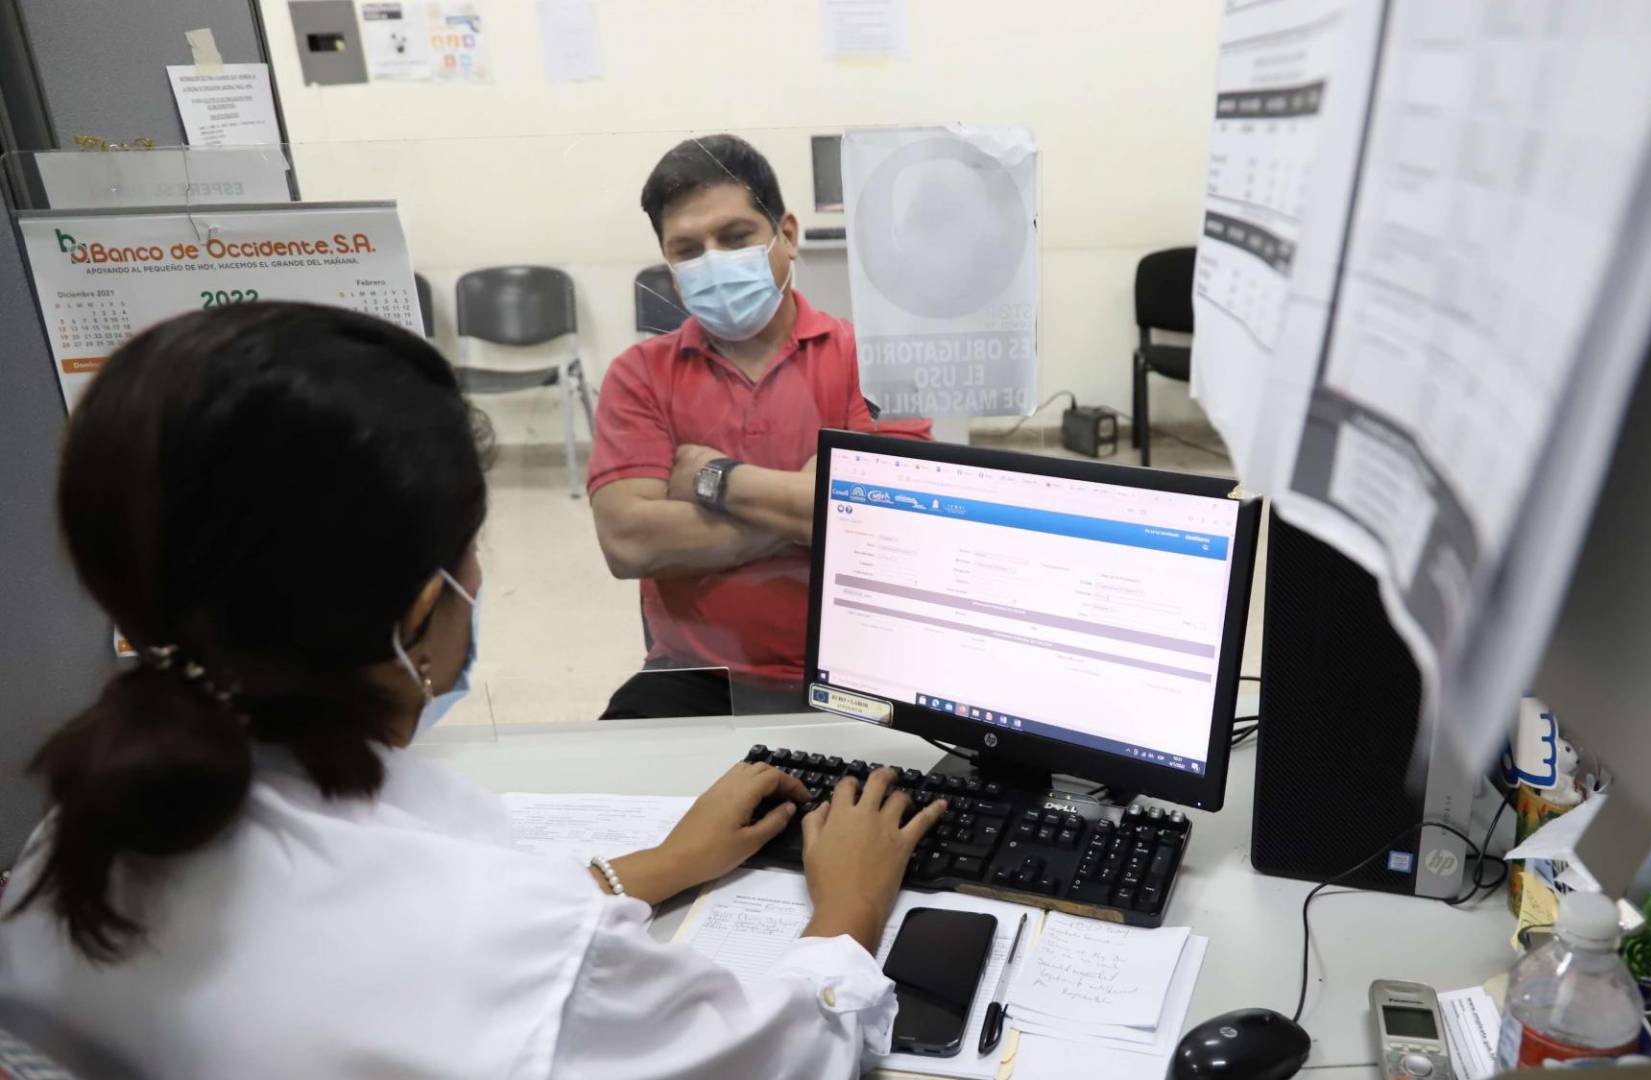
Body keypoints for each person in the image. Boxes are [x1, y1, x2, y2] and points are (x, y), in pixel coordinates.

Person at [0, 303, 946, 1079]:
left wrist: (653, 867)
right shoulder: (506, 948)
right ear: (422, 612)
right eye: (471, 551)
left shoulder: (74, 842)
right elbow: (785, 1060)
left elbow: (368, 932)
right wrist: (846, 919)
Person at [589, 134, 931, 717]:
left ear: (787, 235)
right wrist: (807, 510)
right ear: (670, 269)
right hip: (695, 674)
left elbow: (883, 524)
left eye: (735, 237)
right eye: (688, 249)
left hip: (860, 668)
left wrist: (714, 479)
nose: (714, 261)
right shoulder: (639, 375)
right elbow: (628, 541)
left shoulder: (873, 358)